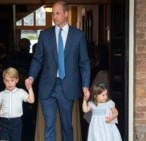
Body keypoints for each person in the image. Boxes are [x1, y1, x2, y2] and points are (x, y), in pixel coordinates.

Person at [25, 1, 90, 141]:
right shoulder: (44, 35)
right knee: (49, 126)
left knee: (67, 126)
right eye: (53, 13)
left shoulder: (78, 35)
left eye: (57, 13)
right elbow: (37, 59)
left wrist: (85, 85)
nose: (54, 17)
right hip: (47, 85)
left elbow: (84, 63)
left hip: (67, 86)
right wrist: (31, 77)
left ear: (66, 14)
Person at [0, 67, 35, 141]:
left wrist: (29, 88)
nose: (9, 83)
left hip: (16, 123)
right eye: (7, 81)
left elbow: (31, 100)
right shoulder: (1, 94)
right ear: (4, 81)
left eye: (12, 80)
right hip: (4, 123)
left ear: (17, 80)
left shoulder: (21, 92)